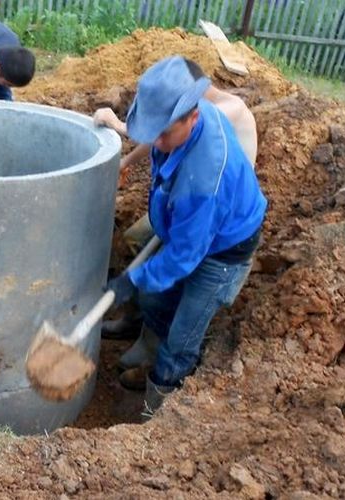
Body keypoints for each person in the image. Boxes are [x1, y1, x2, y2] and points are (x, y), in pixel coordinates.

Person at [94, 56, 267, 415]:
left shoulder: (203, 178)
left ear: (193, 116)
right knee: (156, 299)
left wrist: (130, 280)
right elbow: (156, 137)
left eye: (164, 132)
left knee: (183, 336)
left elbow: (186, 257)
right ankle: (146, 345)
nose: (156, 141)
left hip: (223, 253)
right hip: (187, 229)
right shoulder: (175, 124)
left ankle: (158, 408)